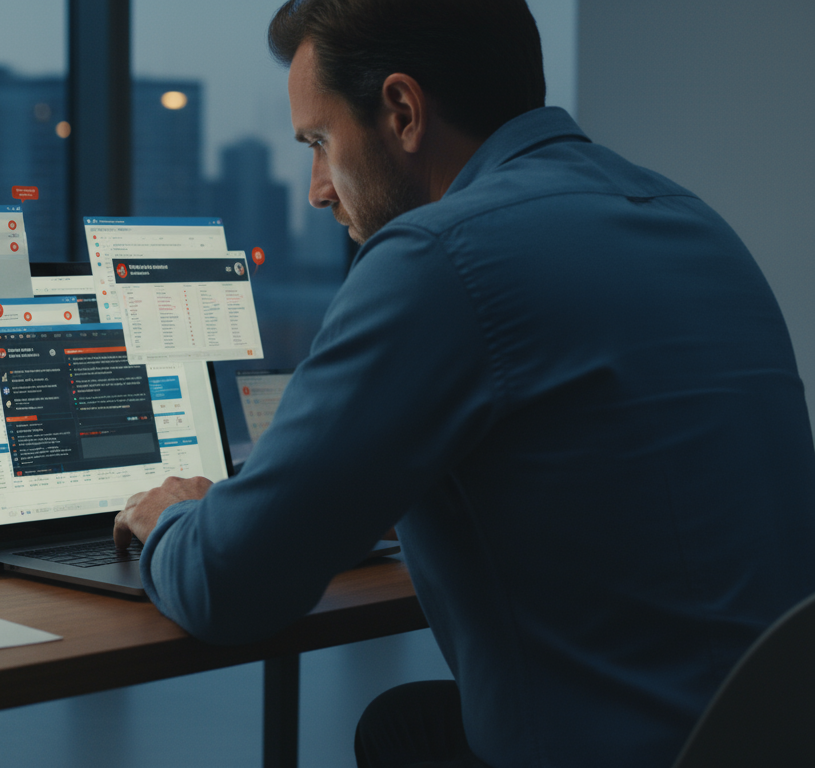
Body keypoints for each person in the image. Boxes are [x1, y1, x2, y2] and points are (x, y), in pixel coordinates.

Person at [111, 1, 815, 766]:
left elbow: (231, 588)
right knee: (406, 725)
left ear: (403, 112)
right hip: (764, 734)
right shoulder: (689, 219)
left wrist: (174, 519)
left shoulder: (439, 256)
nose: (316, 188)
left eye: (319, 141)